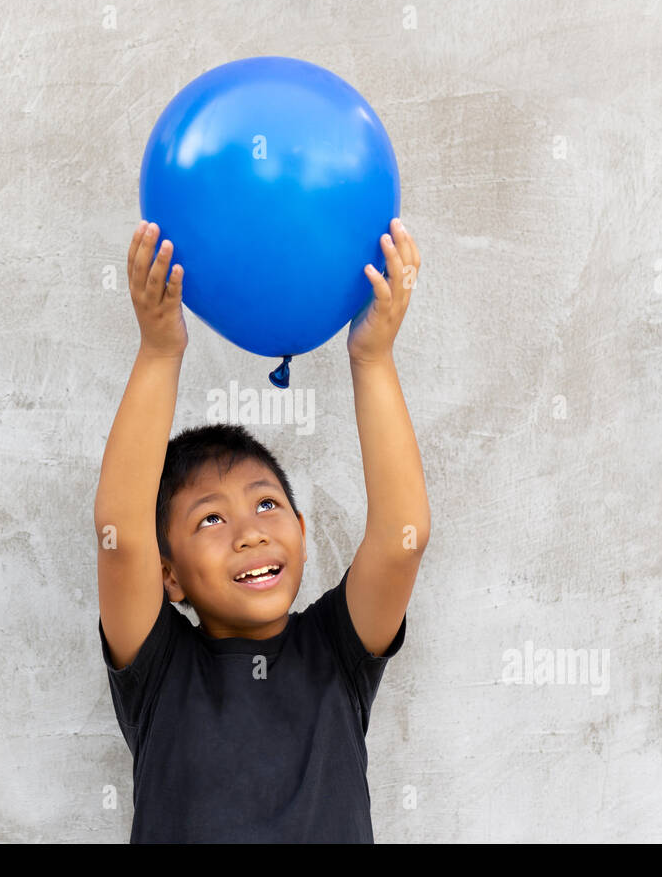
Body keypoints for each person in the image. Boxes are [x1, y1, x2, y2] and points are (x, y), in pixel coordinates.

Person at [93, 218, 429, 842]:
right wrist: (160, 351)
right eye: (212, 519)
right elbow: (122, 532)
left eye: (267, 505)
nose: (249, 533)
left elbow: (401, 537)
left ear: (302, 531)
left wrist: (374, 358)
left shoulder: (338, 652)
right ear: (168, 573)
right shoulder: (160, 666)